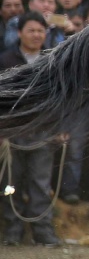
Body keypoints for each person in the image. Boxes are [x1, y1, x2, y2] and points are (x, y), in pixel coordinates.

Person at [0, 13, 61, 246]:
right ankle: (13, 232)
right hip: (11, 133)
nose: (36, 35)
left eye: (40, 31)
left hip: (43, 131)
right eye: (31, 30)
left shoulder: (53, 60)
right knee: (10, 184)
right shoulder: (5, 60)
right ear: (19, 33)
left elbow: (60, 97)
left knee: (40, 184)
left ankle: (43, 232)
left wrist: (60, 128)